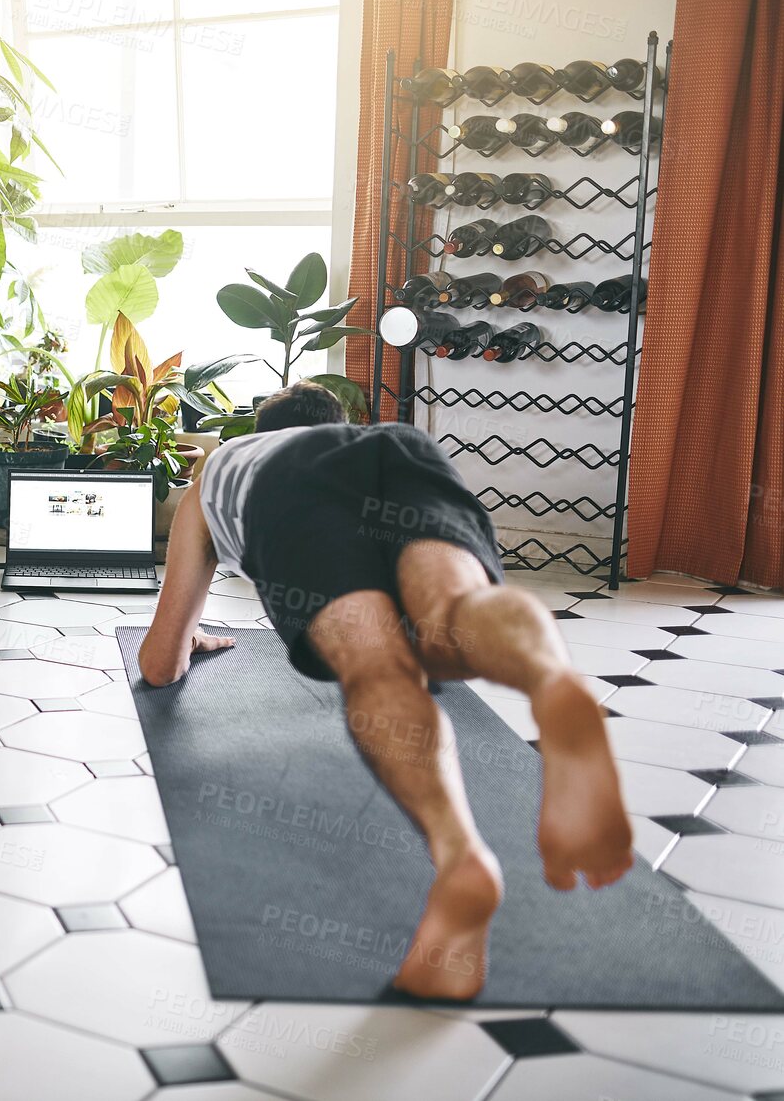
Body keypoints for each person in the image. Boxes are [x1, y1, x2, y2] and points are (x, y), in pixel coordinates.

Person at [138, 380, 631, 1000]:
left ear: (259, 429)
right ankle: (553, 681)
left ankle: (460, 857)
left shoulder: (224, 463)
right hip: (406, 453)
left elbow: (160, 665)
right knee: (455, 616)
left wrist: (191, 637)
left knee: (375, 667)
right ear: (336, 419)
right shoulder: (370, 436)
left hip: (289, 483)